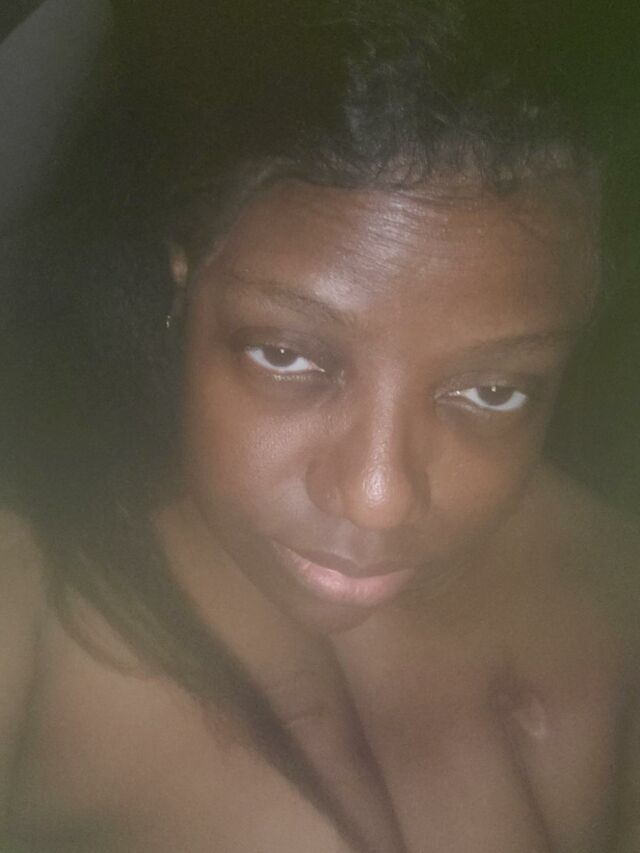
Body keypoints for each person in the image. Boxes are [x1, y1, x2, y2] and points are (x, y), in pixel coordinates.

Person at [1, 1, 639, 850]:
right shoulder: (35, 609)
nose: (379, 497)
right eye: (287, 355)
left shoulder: (616, 596)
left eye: (493, 391)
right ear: (187, 269)